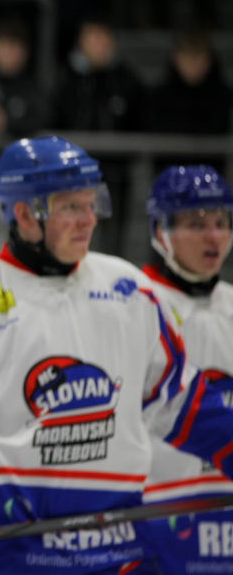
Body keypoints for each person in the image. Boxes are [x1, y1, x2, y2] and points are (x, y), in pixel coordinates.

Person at [0, 136, 233, 574]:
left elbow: (183, 401)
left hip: (115, 554)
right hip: (5, 554)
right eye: (71, 207)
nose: (89, 219)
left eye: (92, 204)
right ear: (23, 214)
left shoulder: (129, 291)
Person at [139, 165, 233, 574]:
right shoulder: (135, 304)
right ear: (160, 231)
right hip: (151, 519)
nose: (214, 236)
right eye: (196, 224)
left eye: (221, 223)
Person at [54, 16, 146, 131]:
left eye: (104, 37)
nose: (99, 46)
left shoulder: (127, 80)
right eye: (93, 39)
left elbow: (142, 125)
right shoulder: (63, 79)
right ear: (80, 42)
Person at [145, 27, 232, 134]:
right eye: (187, 55)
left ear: (210, 59)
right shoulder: (158, 97)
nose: (193, 63)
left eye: (199, 55)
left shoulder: (225, 96)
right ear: (175, 58)